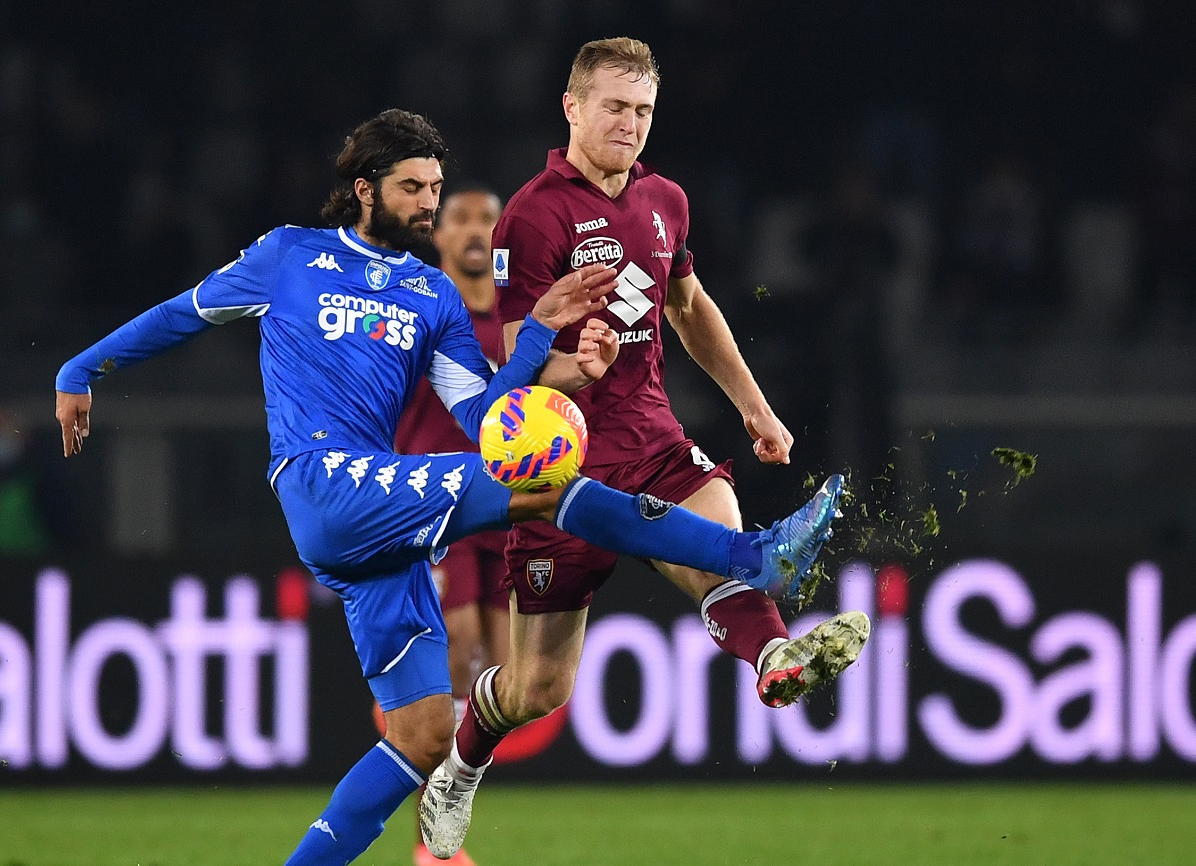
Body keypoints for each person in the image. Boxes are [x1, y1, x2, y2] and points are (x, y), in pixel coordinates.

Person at [54, 108, 860, 866]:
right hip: (325, 480)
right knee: (550, 487)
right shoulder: (289, 255)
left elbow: (487, 419)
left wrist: (550, 340)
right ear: (364, 188)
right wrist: (81, 368)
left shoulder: (430, 293)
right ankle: (751, 554)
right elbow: (181, 313)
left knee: (424, 732)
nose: (427, 206)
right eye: (412, 188)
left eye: (436, 191)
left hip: (380, 524)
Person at [419, 38, 869, 860]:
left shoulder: (666, 200)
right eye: (615, 107)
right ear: (573, 107)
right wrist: (575, 366)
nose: (629, 125)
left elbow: (690, 309)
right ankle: (458, 768)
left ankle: (775, 657)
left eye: (643, 111)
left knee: (721, 536)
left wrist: (754, 407)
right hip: (562, 472)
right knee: (537, 690)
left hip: (654, 440)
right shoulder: (534, 213)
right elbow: (517, 362)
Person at [393, 185, 509, 866]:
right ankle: (429, 846)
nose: (473, 230)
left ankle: (444, 824)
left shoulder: (524, 320)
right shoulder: (422, 312)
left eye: (487, 220)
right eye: (459, 218)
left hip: (507, 508)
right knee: (454, 654)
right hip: (434, 508)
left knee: (501, 676)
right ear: (437, 237)